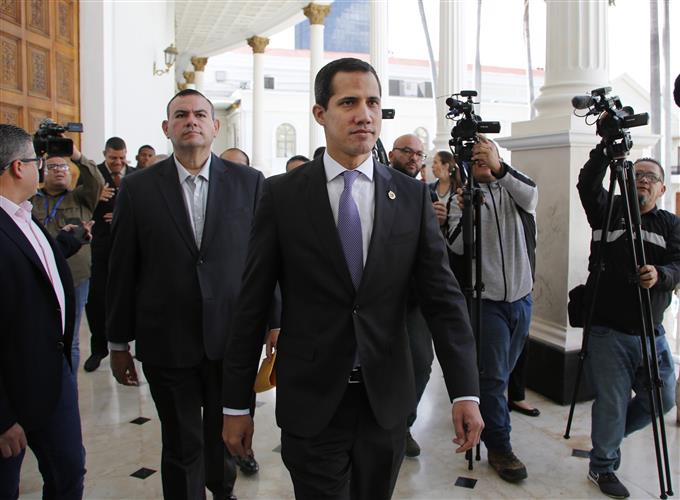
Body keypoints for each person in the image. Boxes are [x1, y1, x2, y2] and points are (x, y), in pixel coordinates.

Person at [222, 57, 483, 500]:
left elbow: (443, 299)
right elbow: (252, 302)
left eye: (373, 103)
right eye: (349, 102)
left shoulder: (410, 197)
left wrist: (465, 392)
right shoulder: (282, 195)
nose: (364, 114)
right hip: (312, 401)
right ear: (320, 113)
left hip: (386, 403)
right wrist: (235, 404)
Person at [106, 89, 274, 500]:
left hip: (231, 338)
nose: (191, 121)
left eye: (200, 114)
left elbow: (265, 261)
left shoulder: (249, 182)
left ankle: (223, 491)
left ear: (215, 126)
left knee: (227, 433)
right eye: (181, 115)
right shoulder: (138, 188)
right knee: (181, 443)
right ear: (167, 128)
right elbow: (122, 267)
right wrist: (117, 342)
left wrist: (275, 322)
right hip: (166, 339)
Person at [577, 141, 678, 499]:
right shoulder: (607, 209)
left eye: (652, 177)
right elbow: (587, 183)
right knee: (612, 402)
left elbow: (678, 264)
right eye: (638, 175)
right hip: (608, 331)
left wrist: (661, 275)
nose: (644, 180)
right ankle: (603, 465)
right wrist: (605, 151)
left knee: (662, 399)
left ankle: (609, 437)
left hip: (652, 332)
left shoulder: (670, 224)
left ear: (662, 189)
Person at [0, 124, 86, 499]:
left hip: (52, 375)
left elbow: (35, 266)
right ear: (18, 167)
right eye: (37, 160)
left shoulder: (24, 213)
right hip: (12, 392)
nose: (43, 167)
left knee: (68, 471)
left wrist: (69, 240)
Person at [447, 135, 537, 483]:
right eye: (476, 157)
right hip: (486, 303)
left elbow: (531, 197)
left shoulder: (515, 186)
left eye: (487, 154)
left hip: (522, 299)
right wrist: (467, 211)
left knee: (502, 372)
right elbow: (456, 246)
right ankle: (500, 446)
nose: (481, 160)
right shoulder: (463, 196)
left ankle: (488, 410)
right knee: (494, 378)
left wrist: (500, 169)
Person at [386, 134, 439, 458]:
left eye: (419, 154)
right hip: (377, 297)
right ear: (392, 154)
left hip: (413, 298)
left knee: (421, 362)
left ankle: (402, 424)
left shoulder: (425, 194)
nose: (414, 158)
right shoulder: (377, 185)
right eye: (407, 151)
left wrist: (438, 223)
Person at [30, 147, 104, 373]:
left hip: (75, 278)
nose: (59, 171)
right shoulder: (31, 200)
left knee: (69, 339)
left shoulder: (81, 197)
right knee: (38, 334)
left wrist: (77, 156)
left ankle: (68, 387)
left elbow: (96, 181)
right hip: (39, 277)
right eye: (52, 167)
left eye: (63, 166)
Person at [83, 137, 135, 372]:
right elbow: (81, 203)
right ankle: (99, 349)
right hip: (100, 246)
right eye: (113, 158)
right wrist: (95, 195)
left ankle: (129, 344)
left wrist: (121, 217)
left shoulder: (135, 176)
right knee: (97, 299)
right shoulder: (94, 177)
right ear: (105, 154)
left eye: (122, 158)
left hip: (128, 246)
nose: (118, 162)